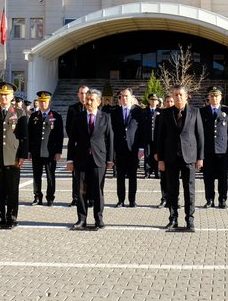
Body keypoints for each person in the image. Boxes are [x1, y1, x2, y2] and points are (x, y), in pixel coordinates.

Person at [154, 85, 204, 232]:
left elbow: (200, 136)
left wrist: (200, 157)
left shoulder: (195, 112)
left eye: (181, 95)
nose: (178, 97)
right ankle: (173, 219)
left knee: (189, 190)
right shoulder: (165, 113)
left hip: (189, 157)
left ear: (186, 96)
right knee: (172, 190)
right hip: (170, 158)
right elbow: (160, 137)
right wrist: (161, 159)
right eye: (175, 95)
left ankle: (190, 220)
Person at [66, 88, 113, 230]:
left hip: (99, 159)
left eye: (92, 100)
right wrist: (69, 160)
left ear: (98, 102)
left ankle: (99, 219)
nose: (89, 102)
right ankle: (81, 219)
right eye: (87, 99)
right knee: (81, 191)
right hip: (81, 159)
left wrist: (110, 159)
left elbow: (110, 138)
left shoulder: (105, 117)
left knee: (98, 191)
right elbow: (72, 140)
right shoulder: (78, 117)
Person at [0, 84, 28, 229]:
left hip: (13, 157)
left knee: (12, 189)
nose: (3, 97)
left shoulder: (19, 112)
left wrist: (23, 155)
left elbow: (24, 136)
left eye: (6, 95)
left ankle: (12, 217)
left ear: (12, 97)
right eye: (1, 95)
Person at [199, 87, 228, 207]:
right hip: (207, 149)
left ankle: (222, 199)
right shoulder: (202, 111)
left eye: (216, 96)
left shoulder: (227, 111)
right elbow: (199, 132)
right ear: (209, 97)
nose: (214, 98)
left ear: (221, 97)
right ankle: (209, 199)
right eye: (212, 96)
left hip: (223, 149)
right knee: (208, 177)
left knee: (222, 177)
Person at [28, 90, 63, 205]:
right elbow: (29, 134)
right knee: (36, 175)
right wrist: (29, 150)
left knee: (50, 175)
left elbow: (60, 136)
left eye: (45, 101)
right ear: (38, 102)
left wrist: (58, 151)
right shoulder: (34, 116)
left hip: (50, 152)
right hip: (36, 151)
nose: (43, 104)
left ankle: (50, 197)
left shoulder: (56, 116)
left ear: (50, 102)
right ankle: (37, 197)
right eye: (41, 101)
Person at [110, 88, 144, 207]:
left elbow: (142, 131)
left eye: (126, 96)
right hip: (120, 149)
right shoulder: (115, 112)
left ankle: (132, 200)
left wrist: (141, 148)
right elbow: (112, 132)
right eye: (122, 96)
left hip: (133, 149)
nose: (124, 98)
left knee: (132, 176)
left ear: (131, 97)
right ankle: (121, 200)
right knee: (120, 176)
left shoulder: (138, 111)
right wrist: (112, 149)